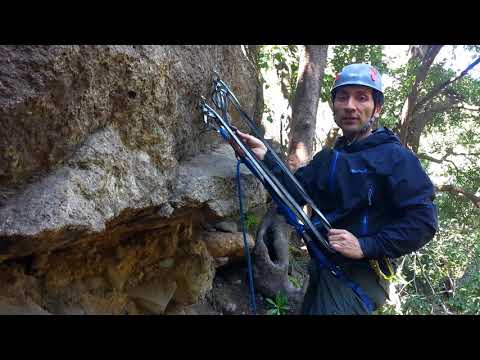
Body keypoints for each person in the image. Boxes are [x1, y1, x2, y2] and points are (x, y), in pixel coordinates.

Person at [234, 63, 438, 314]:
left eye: (361, 97)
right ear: (334, 106)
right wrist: (263, 157)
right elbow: (292, 192)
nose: (350, 105)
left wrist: (366, 246)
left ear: (377, 108)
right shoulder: (329, 160)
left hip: (358, 281)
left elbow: (423, 222)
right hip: (323, 270)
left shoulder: (395, 158)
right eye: (343, 97)